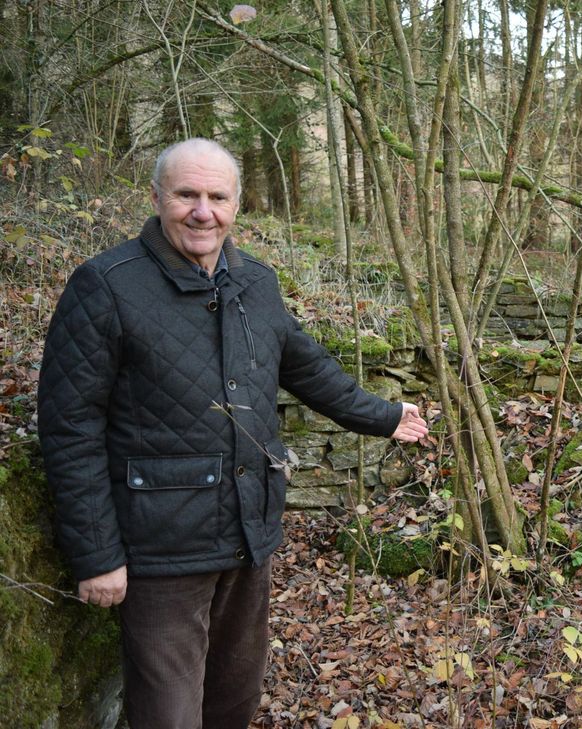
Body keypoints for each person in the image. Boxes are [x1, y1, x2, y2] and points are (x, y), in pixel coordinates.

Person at [37, 137, 429, 729]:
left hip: (249, 535)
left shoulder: (254, 282)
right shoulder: (105, 285)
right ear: (156, 197)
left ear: (236, 205)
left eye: (217, 197)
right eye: (187, 194)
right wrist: (96, 555)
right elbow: (70, 428)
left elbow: (307, 367)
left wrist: (385, 415)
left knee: (233, 702)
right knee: (169, 716)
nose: (203, 211)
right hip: (162, 550)